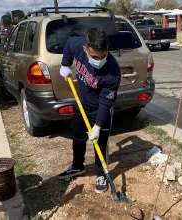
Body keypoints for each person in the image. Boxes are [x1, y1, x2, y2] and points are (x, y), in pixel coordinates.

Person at [58, 28, 121, 193]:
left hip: (100, 109)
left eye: (103, 56)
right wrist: (65, 64)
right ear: (85, 48)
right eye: (94, 57)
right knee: (78, 138)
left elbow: (106, 102)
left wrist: (98, 126)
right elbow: (68, 46)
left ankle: (101, 174)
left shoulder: (112, 72)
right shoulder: (77, 44)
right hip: (81, 103)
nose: (99, 60)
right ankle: (77, 166)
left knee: (100, 143)